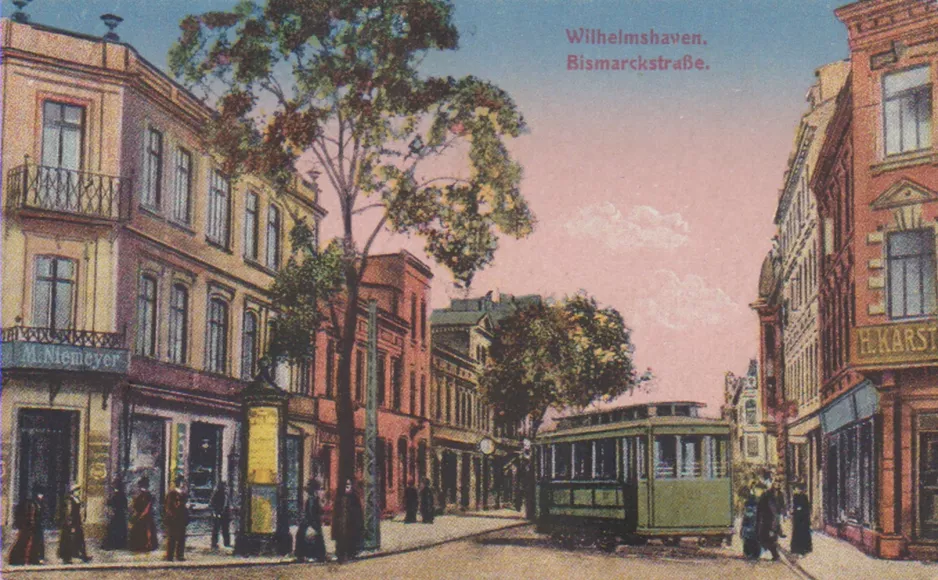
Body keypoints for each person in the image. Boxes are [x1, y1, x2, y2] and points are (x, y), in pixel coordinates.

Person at [8, 486, 47, 566]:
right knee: (24, 542)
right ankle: (18, 559)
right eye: (40, 494)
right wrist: (31, 523)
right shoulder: (32, 503)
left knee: (36, 543)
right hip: (30, 526)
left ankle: (33, 559)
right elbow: (31, 514)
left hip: (36, 526)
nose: (41, 496)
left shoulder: (39, 503)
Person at [332, 478, 364, 563]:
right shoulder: (339, 498)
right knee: (341, 541)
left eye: (349, 485)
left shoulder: (354, 498)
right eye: (346, 485)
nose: (348, 487)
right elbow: (336, 513)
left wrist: (359, 524)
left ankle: (351, 555)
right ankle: (341, 556)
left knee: (351, 540)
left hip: (351, 524)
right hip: (341, 524)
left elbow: (358, 512)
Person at [295, 480, 327, 563]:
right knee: (314, 539)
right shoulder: (313, 499)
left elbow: (310, 513)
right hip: (312, 522)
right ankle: (317, 556)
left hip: (310, 522)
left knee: (305, 538)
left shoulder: (312, 499)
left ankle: (306, 555)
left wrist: (310, 524)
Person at [59, 484, 91, 564]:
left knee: (79, 539)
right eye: (77, 491)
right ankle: (67, 558)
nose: (78, 492)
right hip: (71, 524)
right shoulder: (70, 500)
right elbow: (69, 513)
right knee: (69, 541)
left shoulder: (76, 499)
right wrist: (71, 525)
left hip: (77, 522)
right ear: (73, 492)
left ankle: (83, 555)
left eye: (79, 491)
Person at [756, 480, 784, 561]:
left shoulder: (776, 495)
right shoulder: (766, 495)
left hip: (772, 520)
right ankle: (773, 554)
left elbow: (778, 509)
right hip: (766, 519)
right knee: (764, 538)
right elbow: (760, 508)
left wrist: (774, 525)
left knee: (769, 538)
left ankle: (775, 555)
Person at [128, 478, 158, 552]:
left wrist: (139, 515)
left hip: (145, 516)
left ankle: (146, 545)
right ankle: (142, 546)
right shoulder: (143, 495)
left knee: (146, 530)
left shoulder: (147, 495)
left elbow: (147, 508)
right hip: (142, 515)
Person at [163, 475, 189, 562]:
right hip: (173, 519)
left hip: (182, 518)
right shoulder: (172, 494)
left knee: (181, 538)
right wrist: (172, 516)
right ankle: (169, 556)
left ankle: (180, 555)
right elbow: (169, 507)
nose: (183, 484)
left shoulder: (184, 494)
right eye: (182, 482)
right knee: (172, 538)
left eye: (184, 483)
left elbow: (184, 505)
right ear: (178, 483)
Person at [103, 477, 128, 550]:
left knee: (114, 528)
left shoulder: (117, 495)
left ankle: (115, 544)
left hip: (117, 514)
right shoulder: (122, 495)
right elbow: (125, 505)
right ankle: (120, 544)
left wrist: (108, 501)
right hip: (121, 514)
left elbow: (112, 503)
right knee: (120, 529)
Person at [739, 483, 761, 561]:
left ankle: (751, 553)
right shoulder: (752, 499)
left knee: (751, 538)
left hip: (752, 522)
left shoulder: (752, 500)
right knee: (751, 538)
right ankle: (751, 553)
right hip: (751, 523)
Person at [790, 482, 813, 556]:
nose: (798, 490)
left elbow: (807, 508)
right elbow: (794, 507)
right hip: (797, 518)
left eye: (800, 489)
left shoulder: (804, 497)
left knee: (804, 533)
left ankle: (804, 549)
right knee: (797, 533)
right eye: (797, 489)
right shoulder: (795, 496)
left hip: (804, 518)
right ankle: (796, 549)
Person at [209, 481, 231, 550]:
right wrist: (215, 512)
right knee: (216, 529)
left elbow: (227, 504)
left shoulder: (226, 494)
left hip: (225, 514)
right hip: (218, 513)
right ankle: (214, 543)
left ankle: (227, 543)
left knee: (225, 529)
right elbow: (212, 503)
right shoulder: (217, 493)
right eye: (225, 486)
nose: (226, 488)